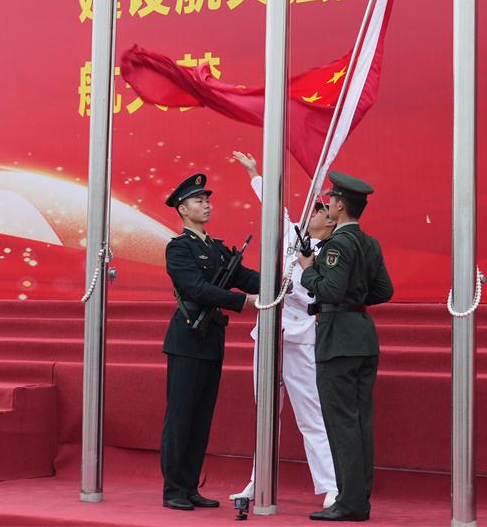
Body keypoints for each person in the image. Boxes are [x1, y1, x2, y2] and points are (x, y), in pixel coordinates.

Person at [228, 151, 338, 509]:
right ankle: (258, 481)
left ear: (329, 222)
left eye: (321, 210)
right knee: (265, 411)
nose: (314, 212)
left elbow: (317, 291)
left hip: (300, 335)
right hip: (269, 333)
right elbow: (277, 210)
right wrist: (254, 174)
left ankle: (331, 485)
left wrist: (294, 285)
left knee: (310, 412)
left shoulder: (328, 253)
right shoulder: (293, 233)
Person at [160, 172, 261, 511]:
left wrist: (284, 276)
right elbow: (196, 289)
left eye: (207, 200)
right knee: (181, 416)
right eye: (198, 200)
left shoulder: (216, 249)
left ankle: (190, 486)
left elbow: (246, 277)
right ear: (182, 209)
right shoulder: (179, 248)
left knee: (201, 417)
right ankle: (174, 488)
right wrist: (242, 301)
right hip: (188, 338)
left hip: (211, 338)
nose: (206, 205)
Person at [298, 171, 394, 522]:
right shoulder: (369, 242)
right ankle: (357, 497)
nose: (328, 207)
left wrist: (308, 270)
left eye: (330, 202)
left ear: (339, 206)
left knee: (341, 424)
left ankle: (350, 501)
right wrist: (356, 299)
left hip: (338, 338)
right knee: (359, 421)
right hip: (362, 335)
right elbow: (383, 290)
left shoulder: (337, 244)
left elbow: (329, 290)